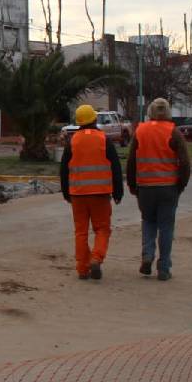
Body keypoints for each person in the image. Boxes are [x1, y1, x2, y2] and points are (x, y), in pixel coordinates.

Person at [127, 98, 191, 281]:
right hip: (168, 188)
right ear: (168, 112)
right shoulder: (174, 132)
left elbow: (132, 161)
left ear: (150, 112)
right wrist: (182, 183)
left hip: (145, 188)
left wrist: (132, 184)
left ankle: (147, 255)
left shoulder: (141, 131)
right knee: (166, 227)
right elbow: (185, 162)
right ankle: (164, 268)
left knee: (148, 221)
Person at [60, 104, 123, 280]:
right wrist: (118, 191)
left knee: (80, 232)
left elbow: (64, 169)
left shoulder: (72, 141)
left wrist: (66, 192)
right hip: (100, 194)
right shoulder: (104, 139)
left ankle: (82, 268)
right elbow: (115, 167)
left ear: (79, 122)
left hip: (78, 194)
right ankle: (96, 258)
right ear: (94, 120)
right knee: (102, 229)